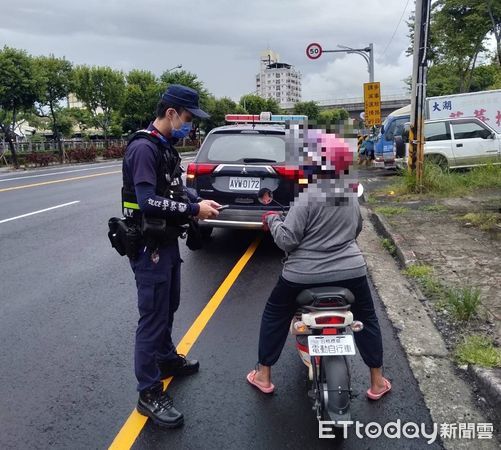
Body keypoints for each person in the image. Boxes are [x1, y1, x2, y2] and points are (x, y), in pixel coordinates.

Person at [246, 130, 391, 401]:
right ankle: (377, 381)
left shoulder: (308, 197)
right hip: (352, 272)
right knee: (368, 318)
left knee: (274, 315)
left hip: (302, 275)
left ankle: (264, 375)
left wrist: (273, 221)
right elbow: (356, 229)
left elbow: (288, 241)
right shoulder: (347, 195)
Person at [122, 84, 220, 428]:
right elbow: (148, 201)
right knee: (152, 316)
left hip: (165, 242)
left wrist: (198, 199)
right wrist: (194, 209)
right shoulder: (143, 149)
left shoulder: (165, 147)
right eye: (189, 119)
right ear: (171, 114)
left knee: (169, 305)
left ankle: (166, 359)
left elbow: (175, 188)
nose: (190, 126)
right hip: (149, 246)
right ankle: (148, 392)